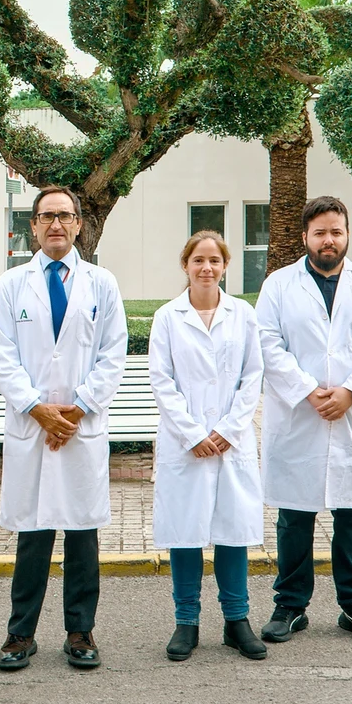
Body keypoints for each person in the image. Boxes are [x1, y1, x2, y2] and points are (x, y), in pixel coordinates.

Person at [0, 186, 128, 672]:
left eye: (65, 216)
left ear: (78, 224)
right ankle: (19, 633)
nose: (56, 224)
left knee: (82, 534)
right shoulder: (10, 285)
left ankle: (80, 630)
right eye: (47, 216)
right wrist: (37, 409)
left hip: (80, 427)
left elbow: (114, 354)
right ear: (33, 225)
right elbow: (2, 358)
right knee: (32, 533)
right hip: (32, 428)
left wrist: (77, 410)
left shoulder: (102, 283)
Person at [257, 195, 352, 646]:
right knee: (294, 518)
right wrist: (307, 389)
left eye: (336, 231)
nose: (328, 240)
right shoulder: (279, 286)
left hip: (351, 415)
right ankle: (290, 606)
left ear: (346, 235)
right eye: (319, 232)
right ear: (305, 237)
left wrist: (350, 391)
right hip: (299, 415)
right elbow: (266, 342)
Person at [149, 231, 267, 662]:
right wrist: (194, 433)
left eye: (214, 261)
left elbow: (252, 376)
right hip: (187, 445)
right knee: (186, 533)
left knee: (232, 532)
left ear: (224, 266)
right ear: (185, 265)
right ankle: (187, 622)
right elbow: (162, 380)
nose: (206, 268)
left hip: (230, 444)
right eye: (198, 260)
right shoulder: (167, 317)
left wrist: (229, 430)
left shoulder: (243, 314)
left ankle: (237, 621)